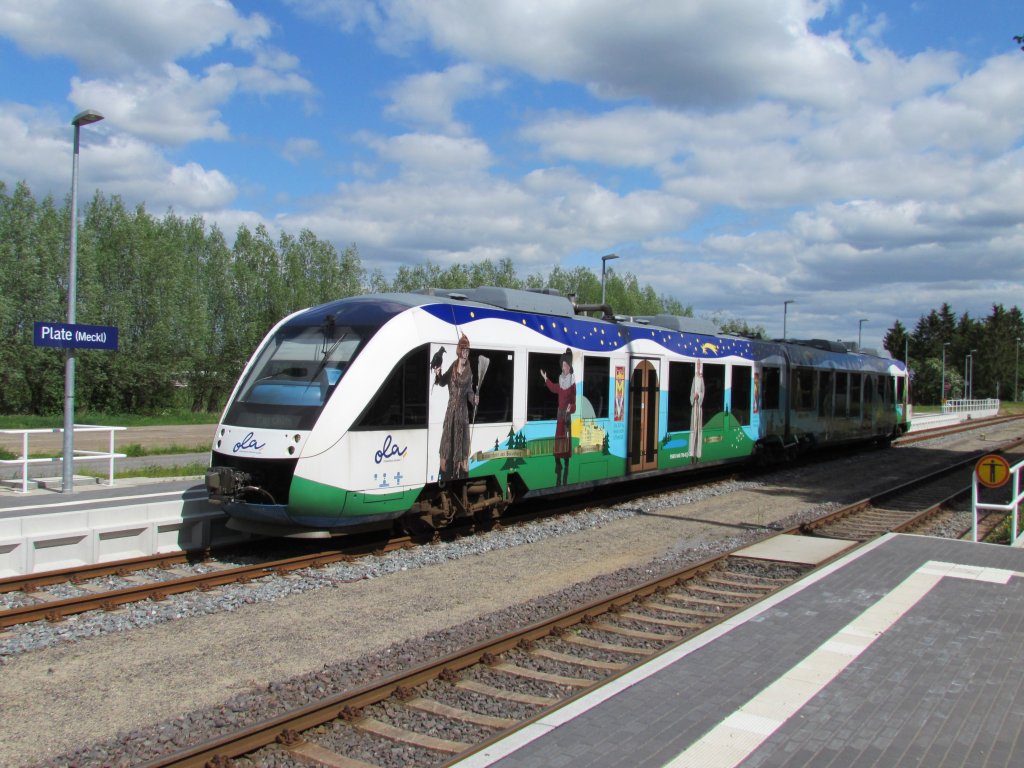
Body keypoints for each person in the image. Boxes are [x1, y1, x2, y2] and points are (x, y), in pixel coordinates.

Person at [434, 334, 478, 481]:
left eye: (468, 350)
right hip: (450, 413)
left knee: (461, 447)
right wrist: (438, 374)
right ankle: (445, 473)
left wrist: (474, 399)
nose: (466, 353)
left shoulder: (469, 372)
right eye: (464, 350)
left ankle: (459, 475)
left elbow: (470, 392)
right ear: (459, 351)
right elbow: (442, 382)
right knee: (447, 443)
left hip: (462, 414)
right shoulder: (452, 367)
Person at [541, 348, 576, 485]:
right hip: (559, 416)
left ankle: (565, 469)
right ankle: (559, 468)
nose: (564, 368)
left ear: (570, 367)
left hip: (566, 417)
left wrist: (570, 408)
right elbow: (554, 388)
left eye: (566, 365)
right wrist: (546, 379)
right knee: (558, 445)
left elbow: (574, 402)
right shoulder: (561, 380)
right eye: (563, 365)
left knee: (565, 446)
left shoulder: (572, 382)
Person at [689, 359, 705, 463]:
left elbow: (703, 392)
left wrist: (699, 396)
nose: (698, 366)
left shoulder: (701, 378)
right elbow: (691, 392)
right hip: (694, 407)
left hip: (699, 407)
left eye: (700, 364)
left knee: (699, 431)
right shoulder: (695, 378)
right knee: (692, 431)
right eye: (697, 364)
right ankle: (691, 454)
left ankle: (698, 455)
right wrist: (693, 397)